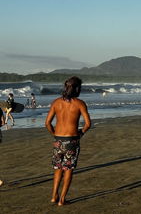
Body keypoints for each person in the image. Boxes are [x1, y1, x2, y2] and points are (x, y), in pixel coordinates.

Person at [45, 76, 91, 206]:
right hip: (72, 140)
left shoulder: (56, 102)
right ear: (77, 89)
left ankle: (54, 196)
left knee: (58, 168)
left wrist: (54, 133)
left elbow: (47, 123)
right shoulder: (80, 103)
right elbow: (88, 123)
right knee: (68, 170)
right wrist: (80, 133)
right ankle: (62, 199)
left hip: (58, 139)